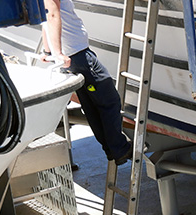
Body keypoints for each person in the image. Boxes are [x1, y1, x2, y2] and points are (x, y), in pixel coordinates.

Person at [42, 0, 132, 165]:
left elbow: (45, 18)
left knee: (92, 107)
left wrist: (48, 51)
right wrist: (59, 53)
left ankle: (112, 150)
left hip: (72, 59)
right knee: (110, 101)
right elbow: (52, 14)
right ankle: (119, 149)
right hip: (79, 55)